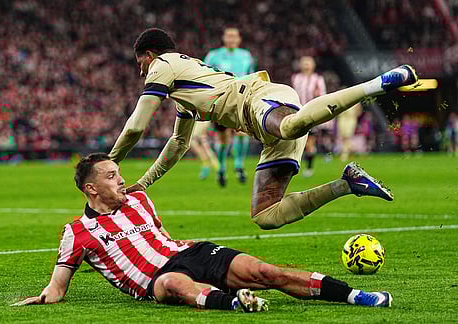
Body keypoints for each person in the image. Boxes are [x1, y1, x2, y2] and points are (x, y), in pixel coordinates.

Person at [110, 28, 418, 230]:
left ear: (151, 54)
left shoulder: (163, 64)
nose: (141, 71)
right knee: (265, 216)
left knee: (289, 126)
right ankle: (347, 183)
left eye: (141, 63)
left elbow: (136, 126)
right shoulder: (183, 94)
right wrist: (144, 183)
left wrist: (110, 161)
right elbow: (178, 144)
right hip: (260, 126)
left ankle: (378, 83)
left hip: (258, 99)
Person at [12, 153, 393, 310]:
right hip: (155, 281)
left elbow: (160, 237)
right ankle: (235, 303)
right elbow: (57, 288)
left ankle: (358, 296)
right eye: (112, 177)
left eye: (119, 173)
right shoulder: (78, 232)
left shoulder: (140, 200)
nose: (122, 180)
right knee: (172, 284)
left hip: (189, 253)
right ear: (91, 189)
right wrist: (44, 298)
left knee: (266, 272)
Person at [203, 27, 255, 186]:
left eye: (235, 36)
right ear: (224, 38)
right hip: (221, 100)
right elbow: (204, 75)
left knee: (243, 132)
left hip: (241, 99)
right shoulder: (214, 55)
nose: (232, 38)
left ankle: (239, 165)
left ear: (239, 39)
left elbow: (251, 76)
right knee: (223, 137)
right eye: (229, 36)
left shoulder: (246, 56)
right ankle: (222, 167)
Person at [290, 56, 328, 177]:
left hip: (312, 113)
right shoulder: (296, 78)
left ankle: (309, 168)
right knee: (298, 141)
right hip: (298, 112)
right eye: (304, 63)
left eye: (308, 63)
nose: (306, 65)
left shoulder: (318, 79)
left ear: (313, 65)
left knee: (308, 142)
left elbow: (323, 95)